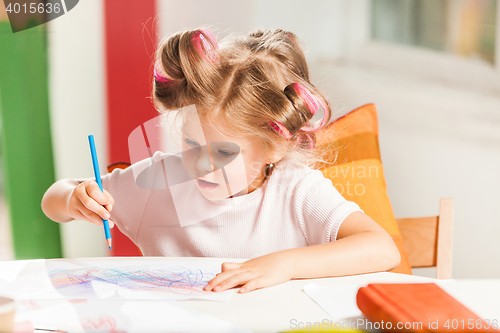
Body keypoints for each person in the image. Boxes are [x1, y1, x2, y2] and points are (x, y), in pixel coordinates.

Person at [42, 28, 401, 294]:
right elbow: (53, 201)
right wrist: (74, 199)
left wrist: (285, 264)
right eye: (190, 143)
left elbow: (381, 248)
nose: (200, 164)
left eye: (224, 152)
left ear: (273, 148)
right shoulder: (161, 180)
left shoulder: (296, 190)